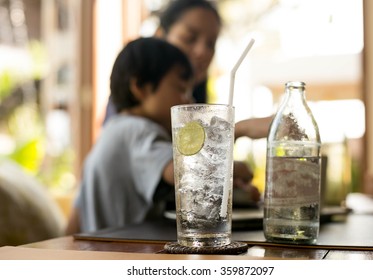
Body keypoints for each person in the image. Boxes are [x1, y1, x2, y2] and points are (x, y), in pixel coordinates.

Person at [66, 37, 270, 234]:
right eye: (181, 89)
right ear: (141, 88)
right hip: (123, 253)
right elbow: (184, 173)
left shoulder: (112, 130)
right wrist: (237, 133)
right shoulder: (137, 130)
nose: (188, 100)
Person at [104, 0, 221, 121]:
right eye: (189, 38)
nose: (202, 52)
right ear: (160, 34)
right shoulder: (130, 111)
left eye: (211, 44)